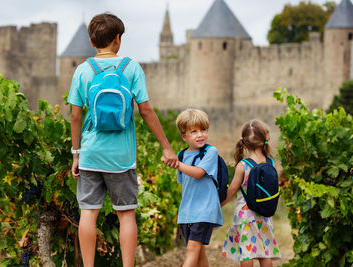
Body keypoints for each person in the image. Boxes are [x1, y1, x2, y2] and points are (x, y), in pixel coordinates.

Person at [68, 13, 178, 267]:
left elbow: (75, 116)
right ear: (117, 40)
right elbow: (146, 111)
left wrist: (76, 153)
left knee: (88, 213)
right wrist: (166, 146)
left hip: (91, 154)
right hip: (122, 157)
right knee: (126, 215)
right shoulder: (131, 68)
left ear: (91, 40)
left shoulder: (83, 71)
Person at [221, 119, 281, 267]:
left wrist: (219, 205)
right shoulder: (270, 163)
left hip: (245, 215)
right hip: (264, 215)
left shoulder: (243, 166)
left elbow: (232, 190)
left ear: (245, 143)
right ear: (265, 140)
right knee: (264, 253)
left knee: (247, 253)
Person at [175, 108, 223, 267]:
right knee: (199, 253)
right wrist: (182, 212)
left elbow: (198, 173)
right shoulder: (182, 155)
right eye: (194, 131)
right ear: (184, 136)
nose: (200, 134)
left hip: (204, 210)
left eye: (203, 130)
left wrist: (177, 164)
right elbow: (186, 188)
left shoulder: (210, 152)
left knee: (192, 249)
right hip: (188, 211)